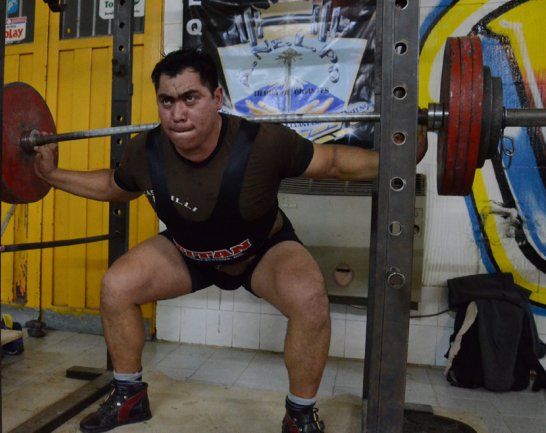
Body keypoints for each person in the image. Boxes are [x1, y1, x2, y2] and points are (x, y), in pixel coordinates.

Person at [33, 49, 419, 433]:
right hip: (189, 252)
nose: (177, 114)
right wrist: (52, 176)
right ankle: (129, 396)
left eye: (190, 98)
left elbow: (333, 162)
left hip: (261, 251)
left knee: (310, 298)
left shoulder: (263, 143)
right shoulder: (145, 151)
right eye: (166, 101)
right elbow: (114, 186)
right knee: (116, 286)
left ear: (217, 98)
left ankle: (299, 416)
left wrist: (402, 158)